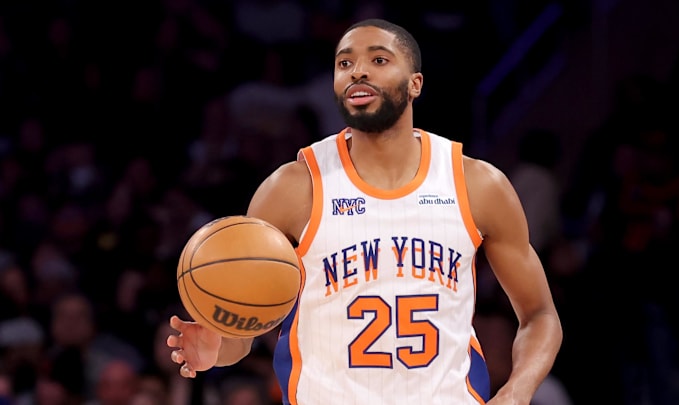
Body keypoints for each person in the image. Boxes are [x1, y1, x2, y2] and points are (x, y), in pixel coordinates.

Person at [167, 18, 562, 405]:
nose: (357, 71)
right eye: (344, 63)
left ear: (415, 84)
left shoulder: (477, 185)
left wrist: (516, 391)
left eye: (378, 60)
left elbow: (540, 315)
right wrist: (218, 347)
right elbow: (244, 332)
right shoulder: (291, 189)